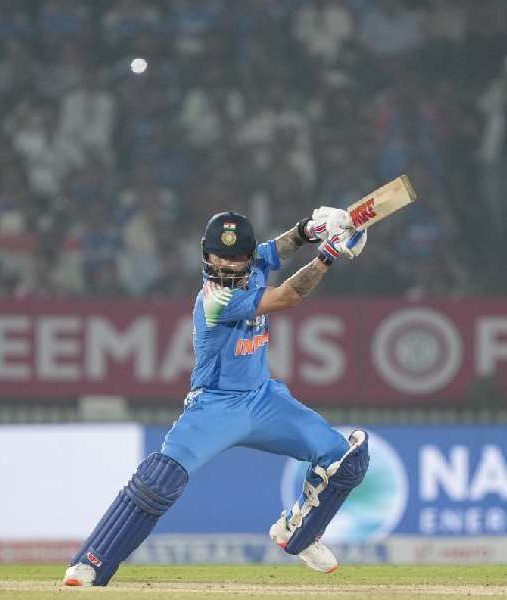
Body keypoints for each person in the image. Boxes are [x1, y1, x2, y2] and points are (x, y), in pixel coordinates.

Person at [62, 208, 369, 586]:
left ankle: (299, 533)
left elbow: (280, 247)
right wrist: (329, 254)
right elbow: (287, 297)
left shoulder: (255, 262)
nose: (225, 265)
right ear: (205, 255)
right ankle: (90, 563)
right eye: (217, 256)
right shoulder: (213, 299)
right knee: (160, 480)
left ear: (247, 255)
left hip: (262, 398)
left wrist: (310, 229)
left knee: (346, 459)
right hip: (215, 405)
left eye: (234, 257)